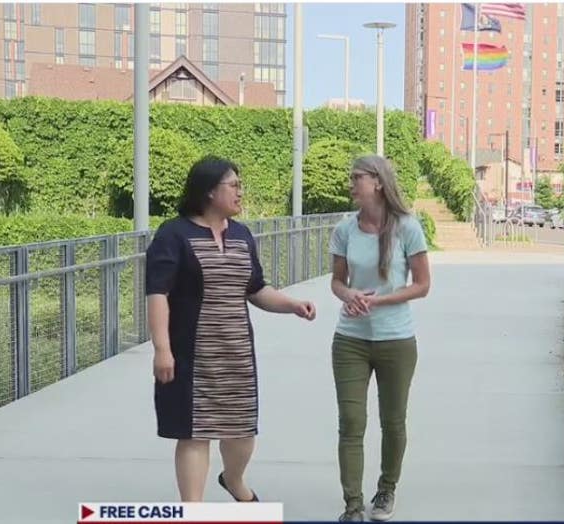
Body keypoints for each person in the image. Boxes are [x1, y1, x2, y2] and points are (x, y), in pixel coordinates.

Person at [145, 156, 316, 502]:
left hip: (236, 353)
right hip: (192, 355)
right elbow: (157, 292)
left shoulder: (241, 235)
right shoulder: (173, 234)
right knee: (194, 433)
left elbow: (255, 288)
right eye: (233, 186)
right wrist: (162, 349)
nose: (240, 192)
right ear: (209, 191)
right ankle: (192, 508)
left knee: (241, 431)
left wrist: (292, 305)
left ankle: (234, 480)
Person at [329, 155, 431, 522]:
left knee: (393, 420)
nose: (351, 183)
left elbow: (422, 286)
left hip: (396, 340)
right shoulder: (344, 230)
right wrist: (349, 295)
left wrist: (379, 299)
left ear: (378, 182)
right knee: (351, 422)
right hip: (350, 339)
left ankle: (386, 489)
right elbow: (337, 281)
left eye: (357, 177)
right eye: (352, 177)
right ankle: (352, 505)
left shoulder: (407, 227)